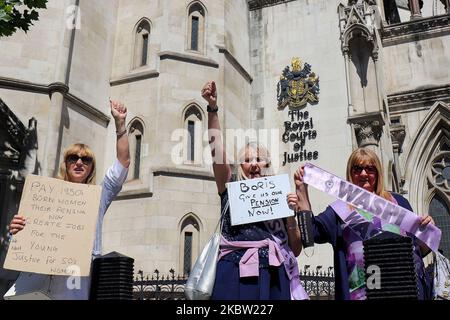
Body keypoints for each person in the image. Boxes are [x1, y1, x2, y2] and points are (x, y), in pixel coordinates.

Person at [6, 100, 130, 300]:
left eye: (86, 159)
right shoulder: (44, 194)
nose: (79, 162)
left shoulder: (98, 196)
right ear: (66, 163)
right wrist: (16, 229)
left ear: (91, 167)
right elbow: (21, 238)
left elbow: (122, 164)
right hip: (35, 279)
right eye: (73, 157)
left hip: (73, 281)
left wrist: (120, 125)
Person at [201, 81, 307, 300]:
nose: (254, 164)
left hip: (274, 275)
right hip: (234, 274)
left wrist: (290, 216)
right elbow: (217, 154)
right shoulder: (229, 191)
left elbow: (295, 249)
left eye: (259, 159)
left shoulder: (280, 198)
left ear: (267, 165)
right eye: (247, 160)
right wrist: (212, 110)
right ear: (240, 167)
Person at [294, 147, 435, 300]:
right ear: (350, 172)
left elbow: (419, 249)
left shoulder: (399, 203)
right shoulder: (339, 210)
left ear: (378, 173)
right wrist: (301, 190)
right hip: (360, 294)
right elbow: (311, 232)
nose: (363, 174)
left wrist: (428, 231)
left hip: (402, 289)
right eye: (357, 169)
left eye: (370, 169)